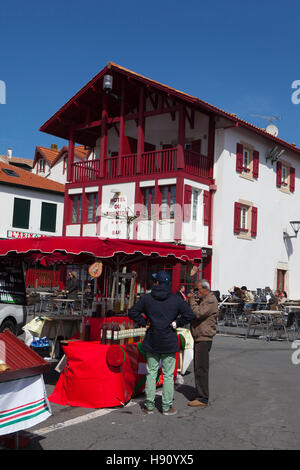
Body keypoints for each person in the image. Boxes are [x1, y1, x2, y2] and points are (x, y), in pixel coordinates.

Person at [128, 270, 194, 416]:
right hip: (169, 340)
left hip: (152, 339)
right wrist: (177, 323)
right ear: (168, 283)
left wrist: (144, 322)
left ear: (157, 282)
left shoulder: (147, 298)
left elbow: (132, 312)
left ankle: (149, 405)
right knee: (169, 375)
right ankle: (166, 406)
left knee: (151, 373)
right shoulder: (176, 299)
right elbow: (190, 314)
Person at [187, 279, 218, 407]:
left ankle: (203, 398)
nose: (196, 292)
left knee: (201, 368)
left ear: (205, 289)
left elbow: (198, 313)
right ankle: (200, 393)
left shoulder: (210, 300)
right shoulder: (205, 300)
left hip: (204, 337)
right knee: (198, 367)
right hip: (200, 336)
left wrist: (191, 301)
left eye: (197, 290)